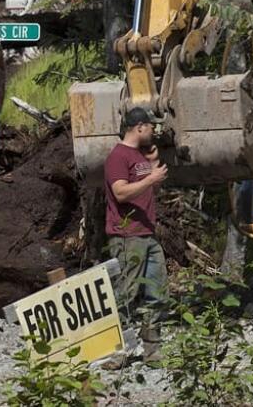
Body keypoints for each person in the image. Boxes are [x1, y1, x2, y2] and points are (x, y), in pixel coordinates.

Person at [104, 107, 169, 342]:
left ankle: (152, 349)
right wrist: (151, 178)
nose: (154, 130)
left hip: (147, 234)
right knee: (126, 294)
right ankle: (116, 351)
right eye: (151, 126)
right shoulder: (118, 157)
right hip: (127, 235)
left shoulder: (140, 156)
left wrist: (151, 169)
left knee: (158, 292)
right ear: (139, 127)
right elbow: (120, 192)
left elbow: (148, 191)